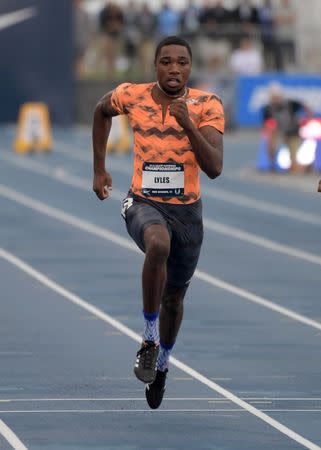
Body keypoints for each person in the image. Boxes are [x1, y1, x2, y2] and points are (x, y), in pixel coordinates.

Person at [92, 36, 224, 409]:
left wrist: (188, 124)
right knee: (157, 244)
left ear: (189, 67)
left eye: (181, 62)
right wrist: (99, 169)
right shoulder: (132, 95)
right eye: (166, 61)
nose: (174, 68)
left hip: (187, 214)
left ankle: (162, 363)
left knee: (175, 298)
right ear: (155, 66)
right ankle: (149, 340)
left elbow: (214, 167)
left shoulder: (207, 104)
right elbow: (102, 112)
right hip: (142, 201)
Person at [262, 82, 311, 172]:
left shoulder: (290, 104)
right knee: (271, 143)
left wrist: (307, 118)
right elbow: (267, 125)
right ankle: (272, 165)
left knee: (293, 154)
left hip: (293, 132)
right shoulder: (268, 108)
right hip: (280, 131)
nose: (276, 99)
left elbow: (306, 106)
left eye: (277, 97)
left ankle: (299, 167)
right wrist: (270, 137)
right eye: (274, 97)